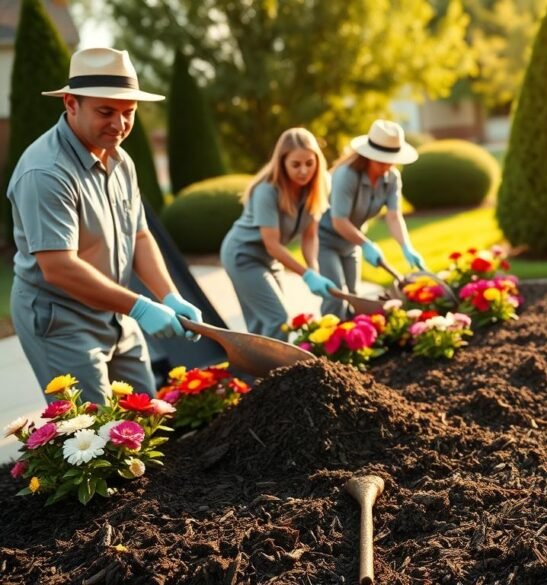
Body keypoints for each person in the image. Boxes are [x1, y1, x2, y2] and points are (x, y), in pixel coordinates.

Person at [7, 48, 202, 404]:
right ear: (70, 103)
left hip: (115, 309)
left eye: (128, 113)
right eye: (106, 111)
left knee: (146, 416)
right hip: (61, 319)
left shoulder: (121, 160)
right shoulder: (45, 171)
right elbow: (59, 268)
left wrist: (170, 296)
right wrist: (141, 308)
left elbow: (140, 234)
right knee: (91, 435)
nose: (119, 124)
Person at [220, 127, 335, 340]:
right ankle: (276, 373)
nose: (304, 171)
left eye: (309, 163)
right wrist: (306, 275)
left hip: (268, 258)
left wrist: (314, 269)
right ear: (282, 163)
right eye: (296, 164)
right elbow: (272, 244)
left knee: (261, 323)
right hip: (242, 255)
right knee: (277, 318)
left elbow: (310, 236)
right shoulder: (267, 191)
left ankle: (258, 371)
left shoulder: (317, 187)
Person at [318, 119, 425, 318]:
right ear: (368, 155)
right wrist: (366, 244)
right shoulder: (346, 175)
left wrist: (406, 247)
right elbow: (339, 221)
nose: (387, 165)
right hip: (325, 240)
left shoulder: (392, 178)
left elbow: (393, 217)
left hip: (352, 243)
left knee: (354, 297)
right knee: (335, 296)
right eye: (381, 160)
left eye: (391, 159)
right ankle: (325, 347)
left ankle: (352, 343)